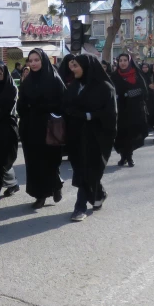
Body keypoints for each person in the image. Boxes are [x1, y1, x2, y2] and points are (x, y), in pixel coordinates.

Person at [61, 56, 116, 222]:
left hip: (95, 137)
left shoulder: (105, 88)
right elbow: (67, 104)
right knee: (82, 170)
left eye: (76, 66)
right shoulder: (75, 85)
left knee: (87, 170)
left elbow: (110, 114)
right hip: (76, 136)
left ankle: (80, 206)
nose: (73, 69)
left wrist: (88, 115)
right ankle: (99, 193)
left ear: (86, 67)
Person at [17, 49, 66, 208]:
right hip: (31, 128)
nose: (33, 63)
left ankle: (56, 185)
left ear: (44, 60)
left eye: (36, 60)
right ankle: (40, 194)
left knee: (50, 161)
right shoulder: (27, 80)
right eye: (30, 61)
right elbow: (21, 104)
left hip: (49, 128)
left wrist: (44, 109)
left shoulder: (54, 79)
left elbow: (63, 103)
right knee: (34, 163)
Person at [0, 61, 20, 201]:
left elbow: (4, 110)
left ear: (5, 74)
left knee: (1, 161)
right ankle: (11, 185)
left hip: (7, 129)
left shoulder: (11, 89)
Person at [110, 54, 148, 167]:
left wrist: (128, 94)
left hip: (134, 110)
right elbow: (110, 90)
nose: (122, 63)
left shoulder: (137, 75)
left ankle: (129, 156)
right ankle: (123, 156)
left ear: (129, 61)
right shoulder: (114, 76)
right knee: (121, 134)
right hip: (120, 110)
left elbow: (144, 91)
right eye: (120, 60)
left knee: (132, 134)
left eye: (125, 60)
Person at [140, 62, 154, 131]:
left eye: (146, 67)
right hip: (143, 96)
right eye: (143, 67)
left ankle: (151, 124)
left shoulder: (151, 75)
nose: (145, 69)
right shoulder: (140, 75)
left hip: (151, 96)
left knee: (151, 110)